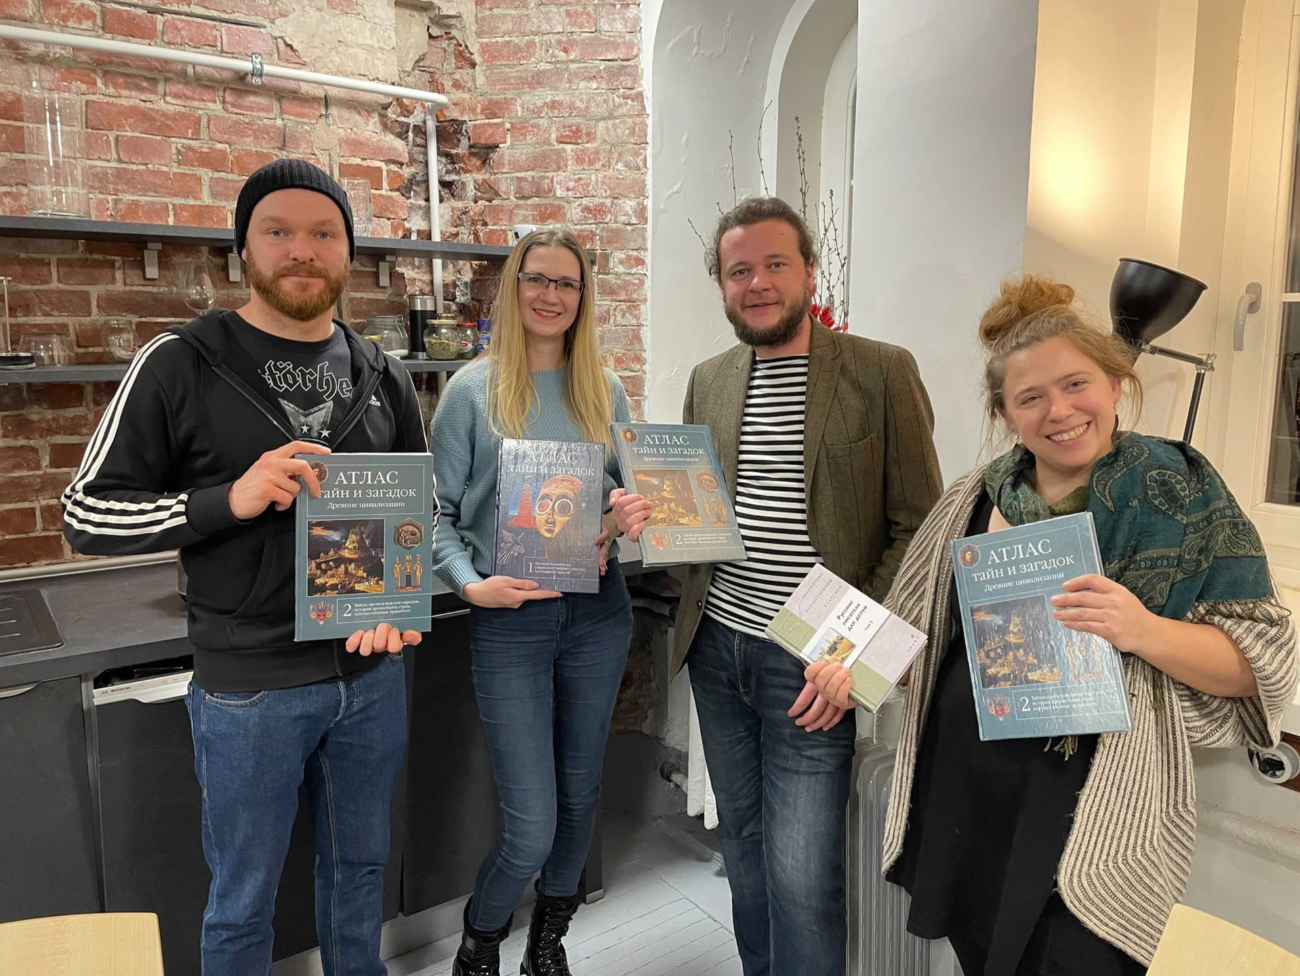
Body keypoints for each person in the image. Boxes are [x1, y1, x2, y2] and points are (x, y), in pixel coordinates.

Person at [806, 276, 1300, 976]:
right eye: (1031, 397)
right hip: (967, 797)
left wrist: (1140, 628)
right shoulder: (973, 498)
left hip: (1094, 820)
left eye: (1076, 384)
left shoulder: (1181, 492)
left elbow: (1264, 660)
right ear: (1006, 413)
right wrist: (848, 669)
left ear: (1115, 383)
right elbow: (912, 636)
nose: (1060, 411)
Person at [61, 159, 432, 976]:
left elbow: (421, 506)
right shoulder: (179, 361)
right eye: (279, 231)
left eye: (324, 233)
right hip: (250, 690)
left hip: (371, 680)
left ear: (347, 253)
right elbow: (85, 514)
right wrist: (227, 499)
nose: (303, 249)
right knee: (242, 902)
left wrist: (398, 603)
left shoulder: (382, 373)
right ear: (244, 250)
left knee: (361, 877)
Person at [611, 197, 943, 976]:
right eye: (739, 271)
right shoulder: (710, 380)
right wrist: (646, 516)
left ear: (808, 272)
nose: (756, 282)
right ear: (722, 286)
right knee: (744, 849)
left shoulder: (880, 370)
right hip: (717, 647)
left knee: (802, 879)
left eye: (774, 265)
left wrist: (854, 658)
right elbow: (701, 516)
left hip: (813, 663)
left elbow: (920, 530)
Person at [429, 228, 633, 976]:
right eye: (537, 279)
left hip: (598, 613)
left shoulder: (604, 390)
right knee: (531, 824)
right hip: (510, 620)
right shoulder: (470, 392)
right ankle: (479, 943)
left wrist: (622, 519)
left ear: (584, 297)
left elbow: (616, 503)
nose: (551, 295)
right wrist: (469, 583)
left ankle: (547, 946)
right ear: (513, 288)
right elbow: (434, 515)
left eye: (567, 283)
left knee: (580, 801)